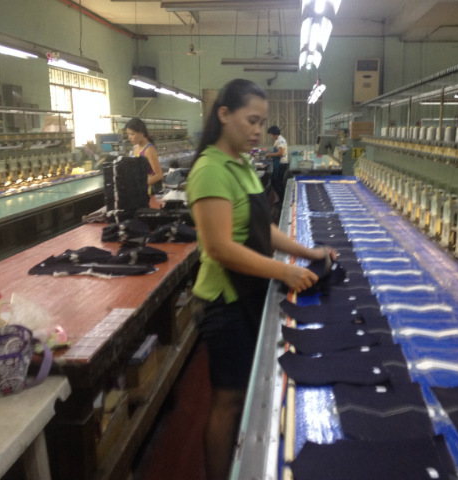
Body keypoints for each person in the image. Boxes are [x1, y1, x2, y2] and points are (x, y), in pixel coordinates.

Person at [186, 78, 335, 480]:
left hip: (248, 291)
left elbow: (261, 229)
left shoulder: (240, 165)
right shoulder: (210, 170)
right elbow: (220, 247)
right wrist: (285, 271)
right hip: (224, 300)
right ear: (223, 115)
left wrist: (309, 253)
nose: (257, 130)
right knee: (229, 400)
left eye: (262, 122)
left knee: (244, 396)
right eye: (251, 121)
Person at [125, 117, 164, 186]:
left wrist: (141, 184)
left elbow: (159, 175)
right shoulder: (135, 148)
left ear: (141, 133)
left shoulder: (149, 150)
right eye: (128, 134)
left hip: (146, 191)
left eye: (132, 134)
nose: (129, 137)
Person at [265, 125, 288, 200]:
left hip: (281, 164)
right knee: (278, 182)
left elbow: (280, 153)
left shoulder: (280, 140)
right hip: (279, 164)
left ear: (274, 134)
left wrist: (269, 154)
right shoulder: (279, 140)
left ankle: (283, 199)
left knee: (275, 182)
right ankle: (283, 198)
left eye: (271, 134)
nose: (271, 136)